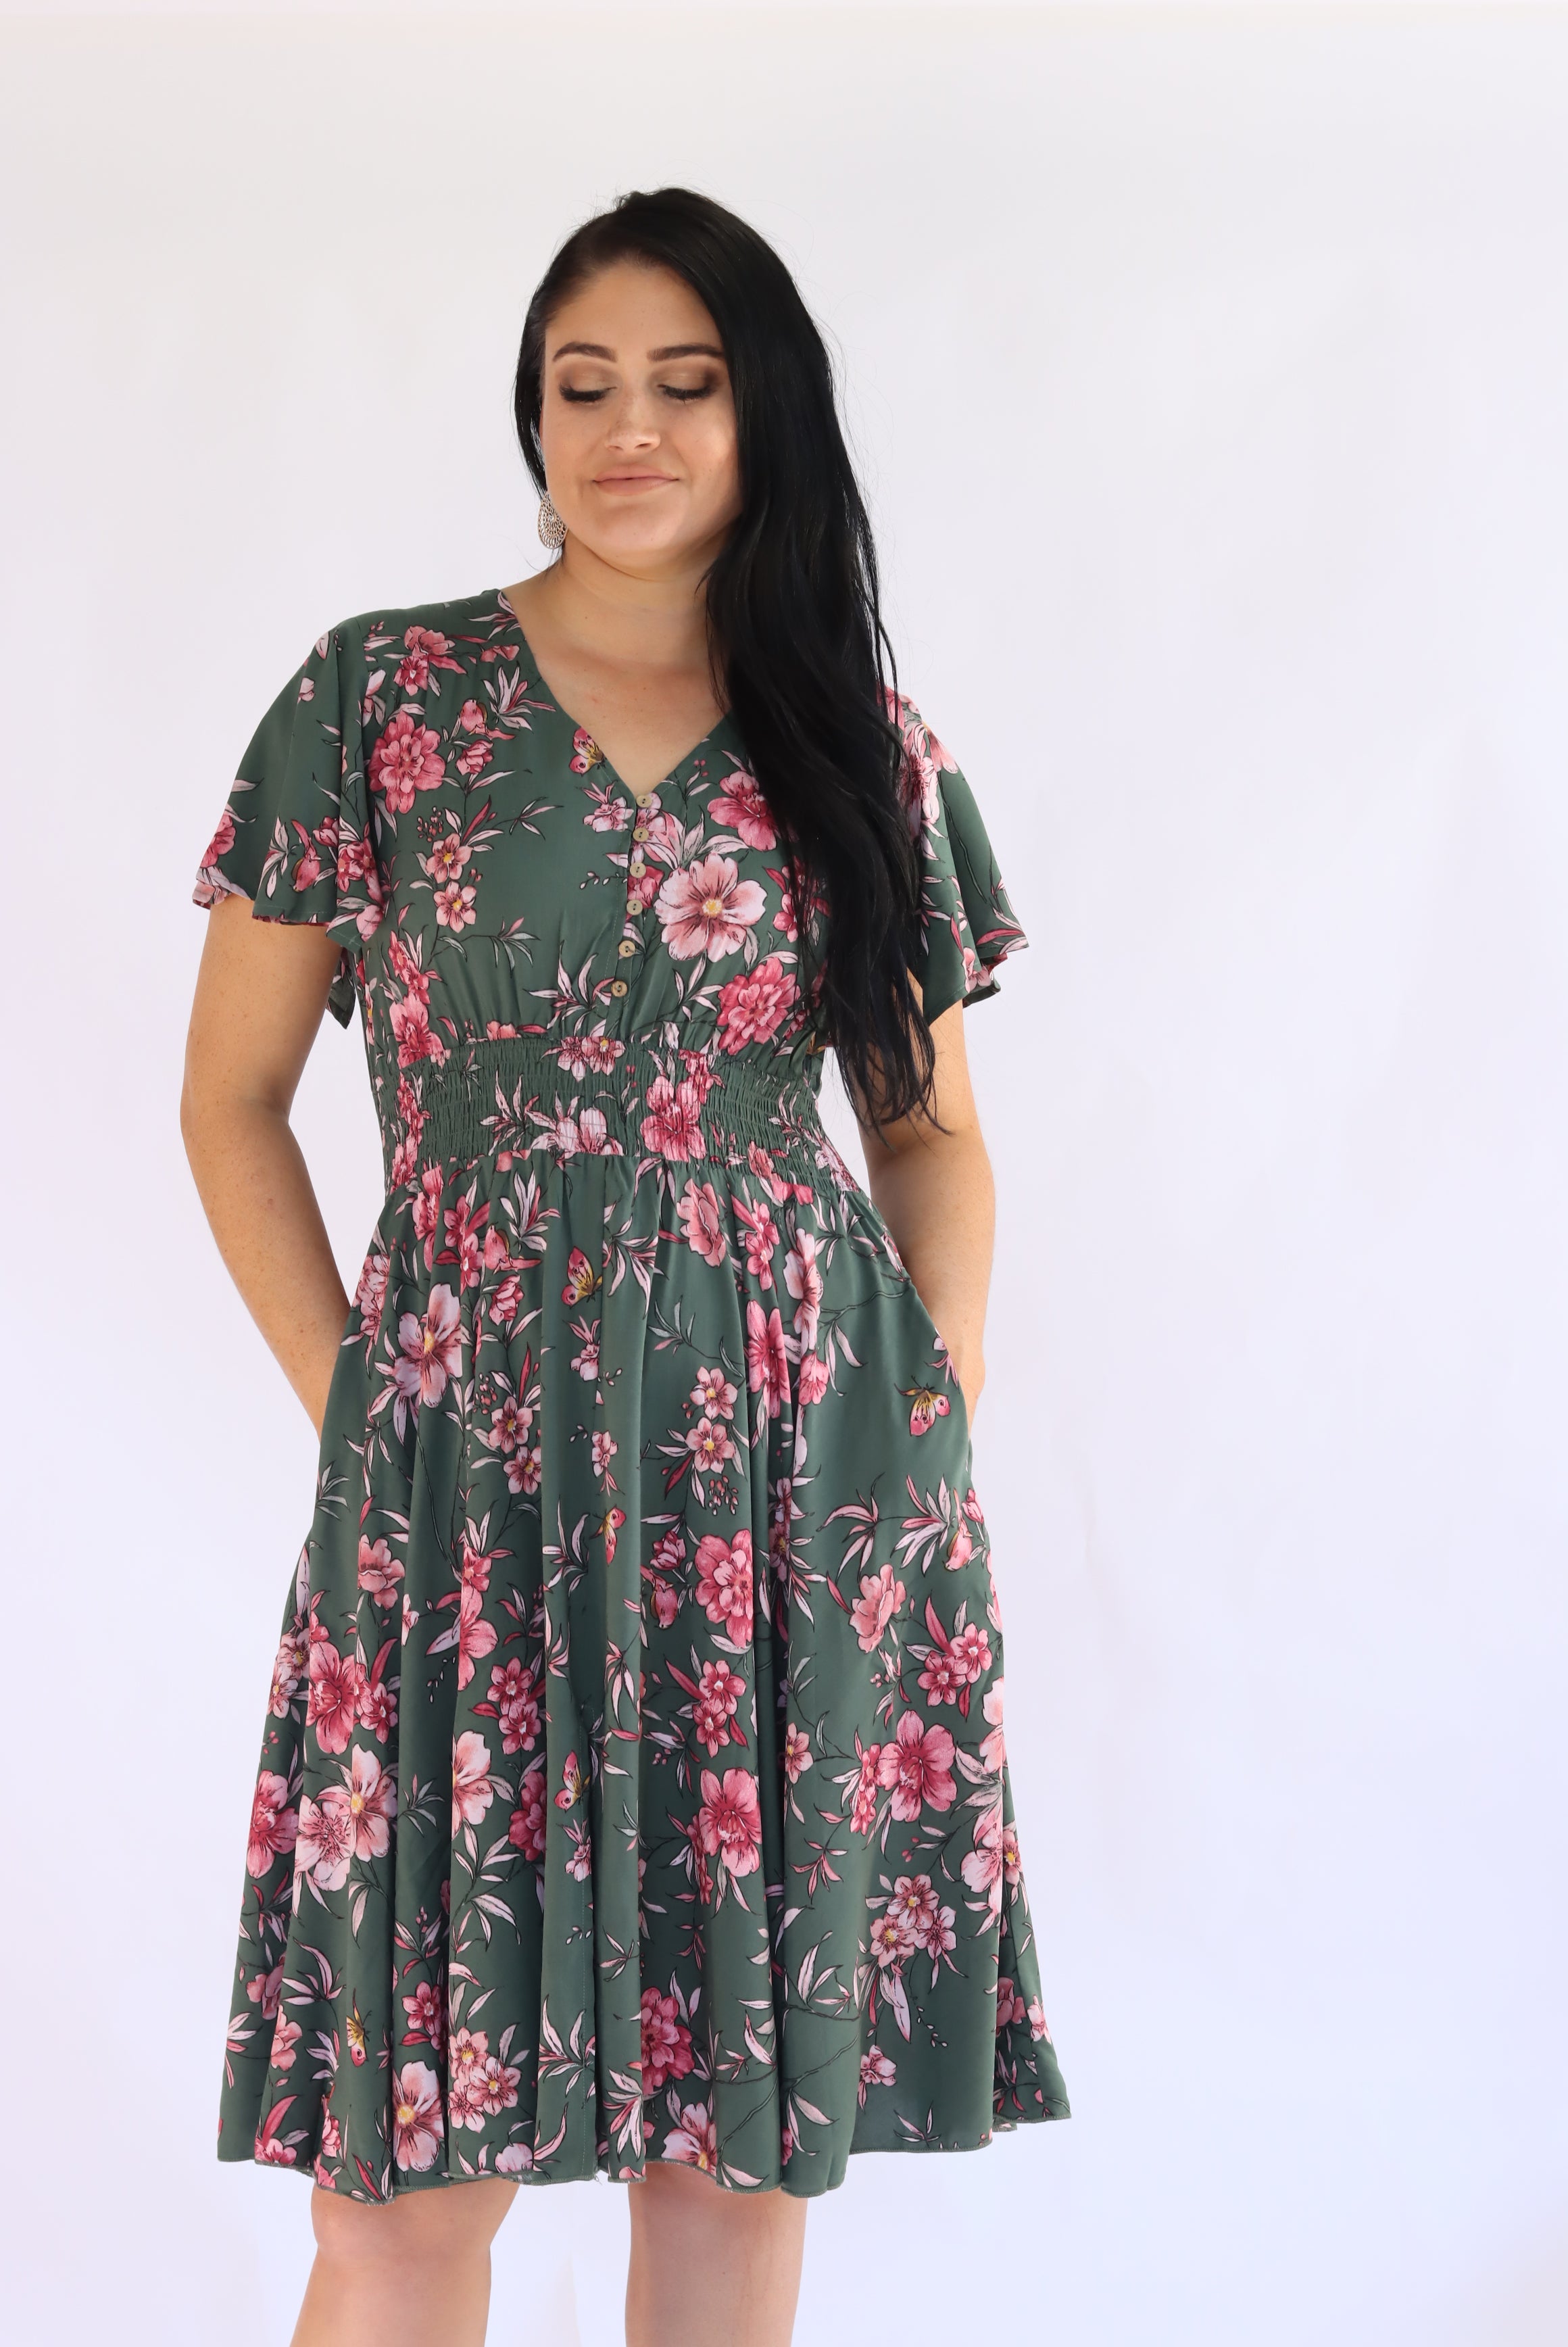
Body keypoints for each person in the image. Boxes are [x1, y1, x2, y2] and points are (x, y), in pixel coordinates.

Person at [182, 185, 1069, 2347]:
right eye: (583, 387)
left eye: (686, 383)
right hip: (457, 1497)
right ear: (533, 418)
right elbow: (232, 1102)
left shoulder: (852, 733)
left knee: (727, 2170)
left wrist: (926, 1425)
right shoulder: (380, 696)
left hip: (789, 1501)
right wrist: (365, 1410)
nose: (631, 429)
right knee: (400, 2202)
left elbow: (929, 1133)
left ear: (769, 419)